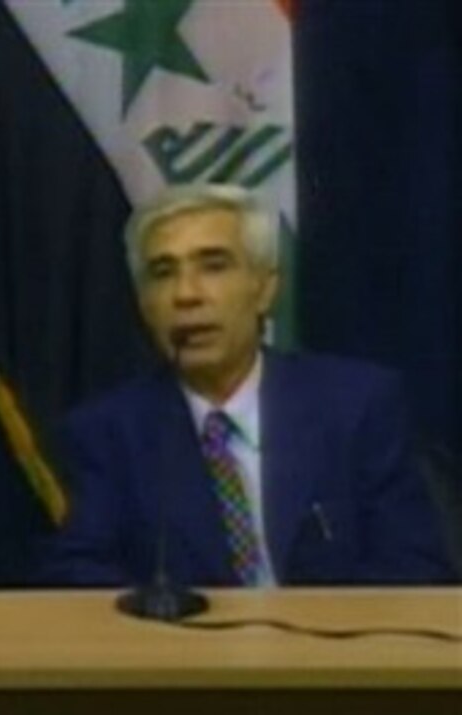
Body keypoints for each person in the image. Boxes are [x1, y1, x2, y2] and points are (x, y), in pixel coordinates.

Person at [41, 183, 454, 588]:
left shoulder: (356, 406)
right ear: (142, 302)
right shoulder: (107, 432)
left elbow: (414, 569)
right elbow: (81, 577)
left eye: (214, 265)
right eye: (163, 273)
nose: (186, 295)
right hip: (184, 653)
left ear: (265, 289)